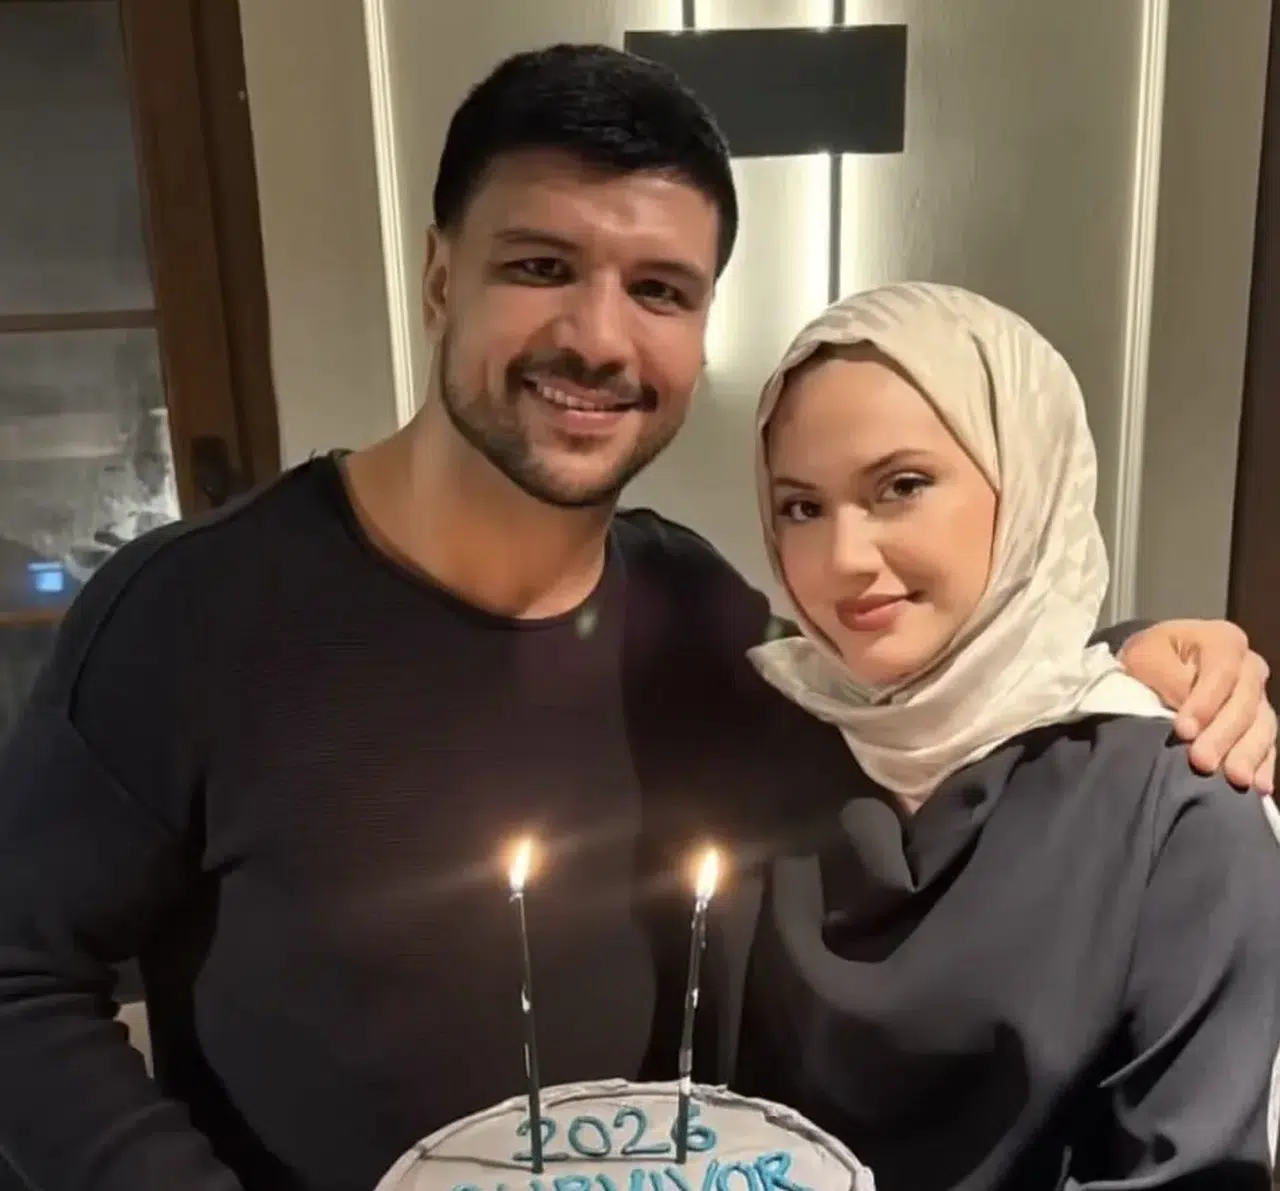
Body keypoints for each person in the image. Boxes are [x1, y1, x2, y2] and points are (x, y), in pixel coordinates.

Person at [0, 44, 1272, 1191]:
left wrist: (1129, 661)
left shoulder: (698, 615)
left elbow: (918, 700)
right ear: (438, 276)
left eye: (659, 289)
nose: (598, 339)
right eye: (539, 266)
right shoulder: (187, 617)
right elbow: (20, 982)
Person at [734, 281, 1280, 1191]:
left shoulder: (1177, 803)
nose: (843, 559)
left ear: (1027, 480)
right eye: (801, 507)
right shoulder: (769, 745)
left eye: (901, 486)